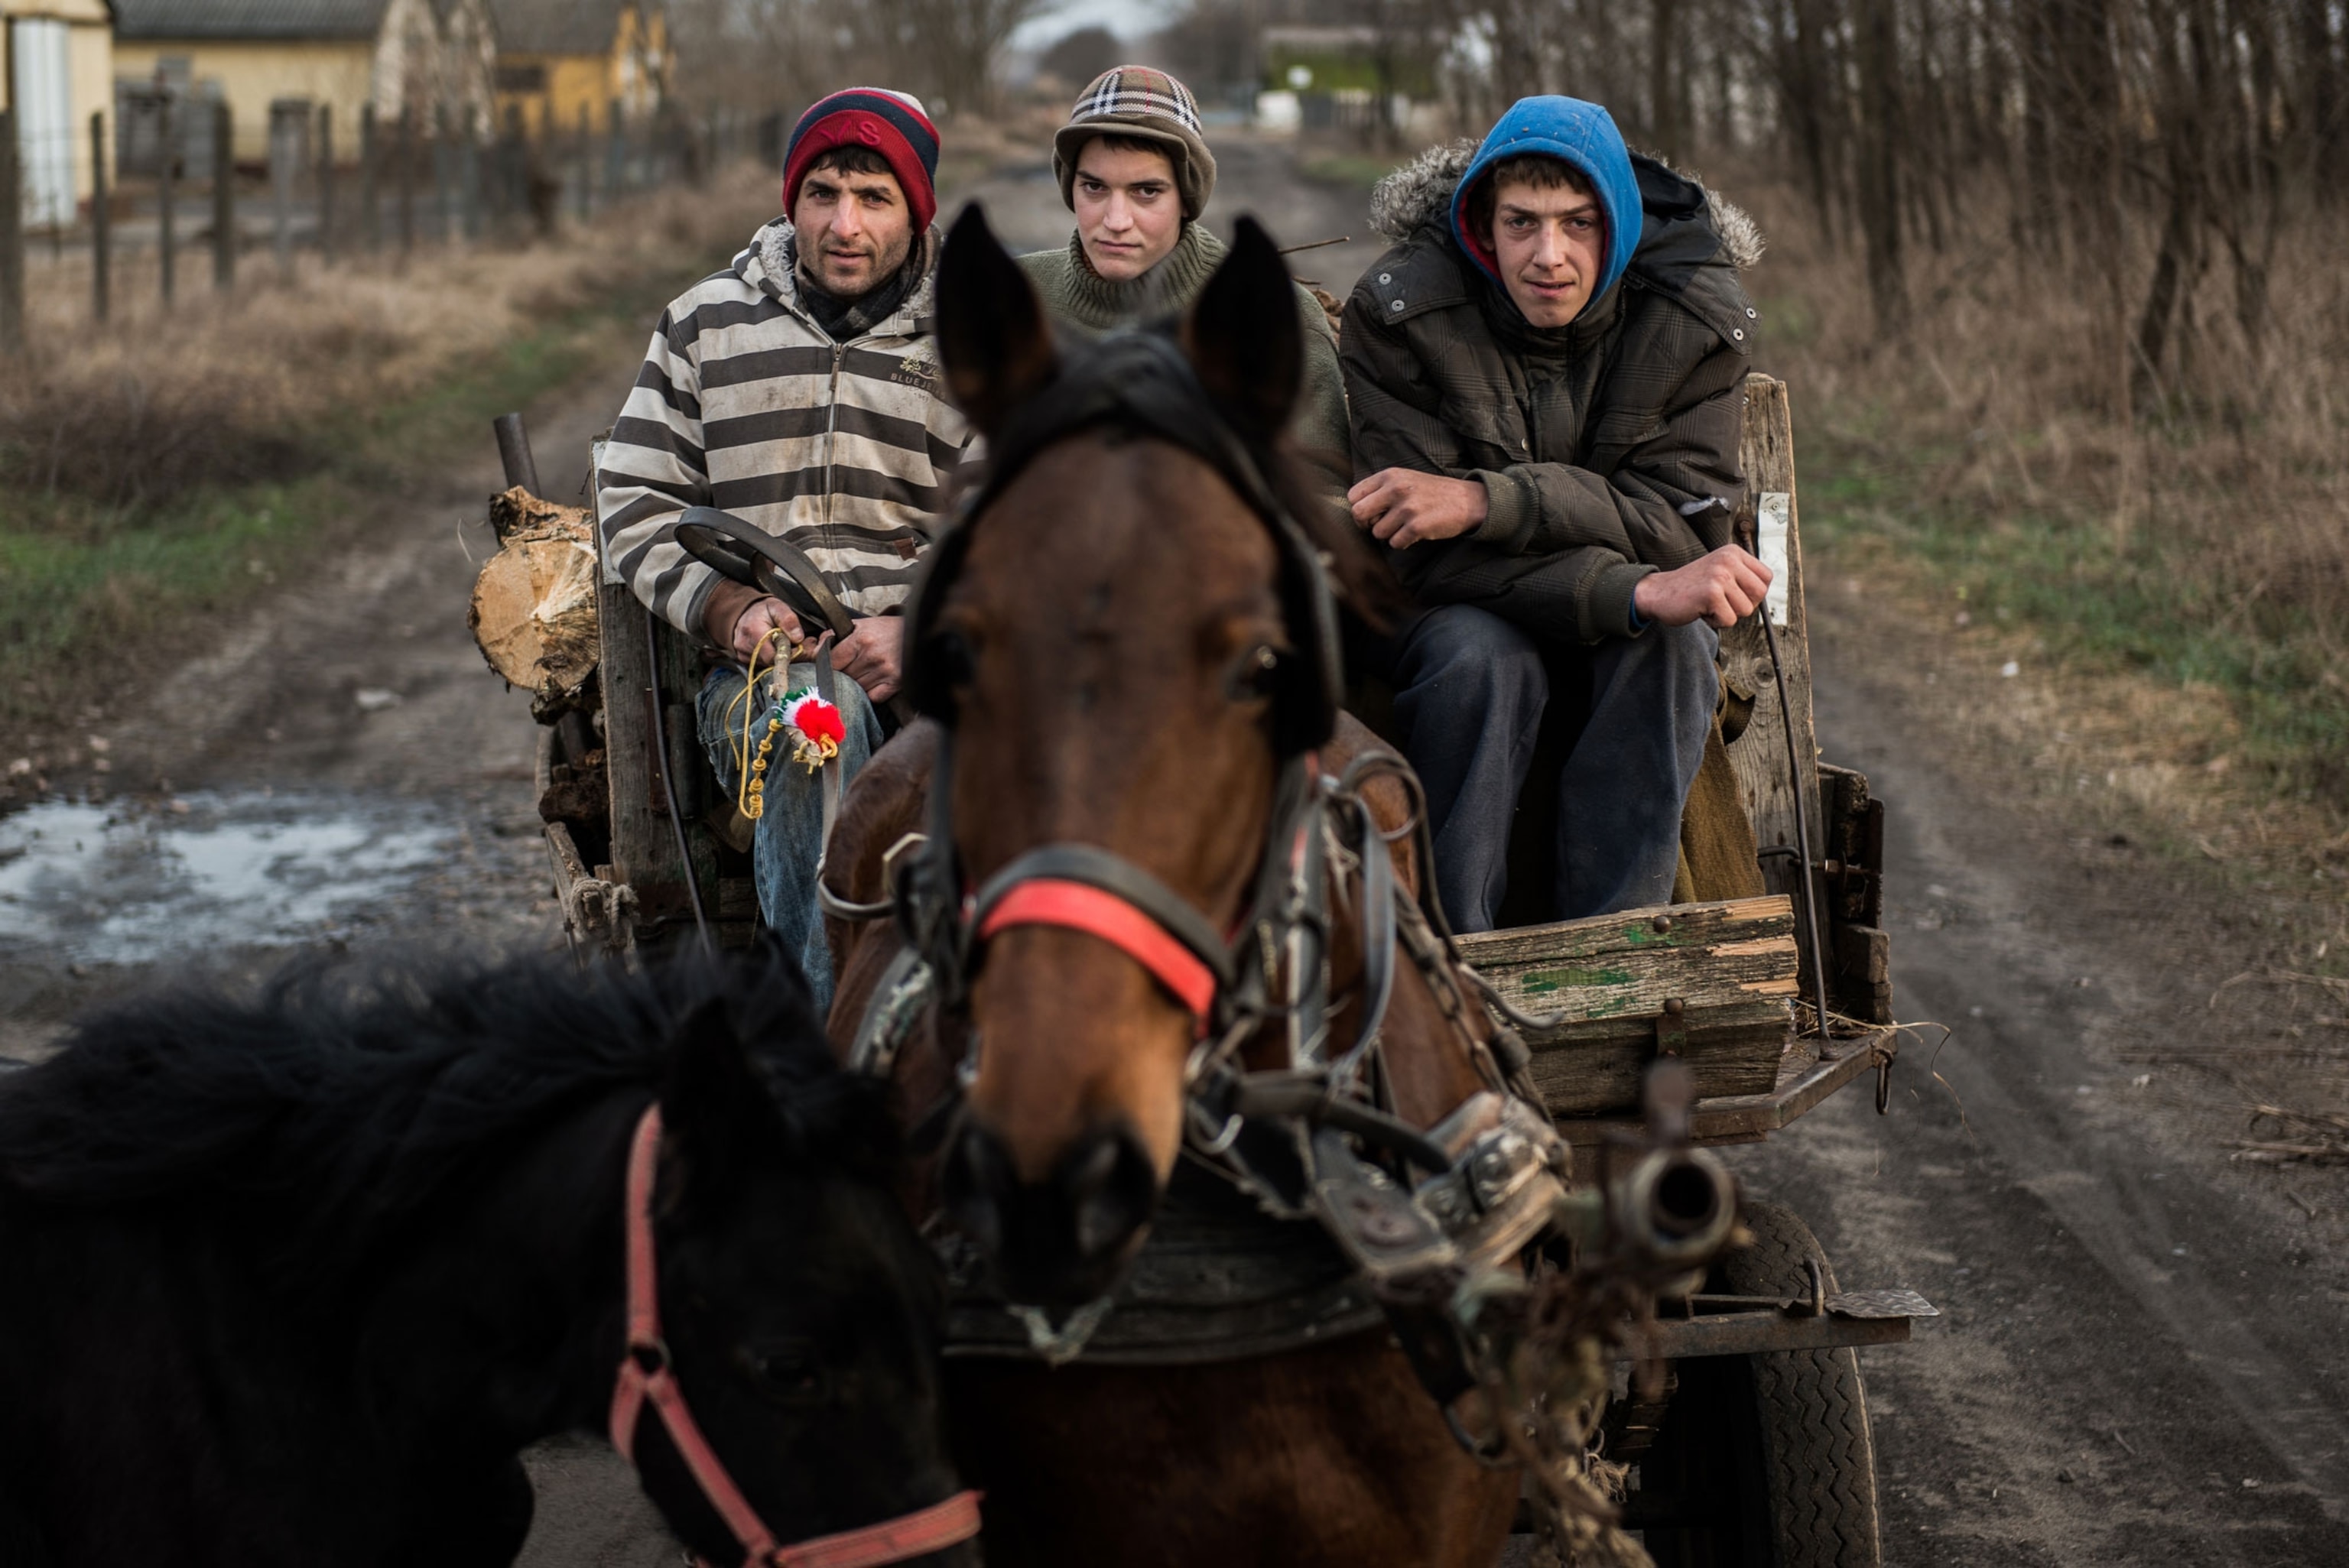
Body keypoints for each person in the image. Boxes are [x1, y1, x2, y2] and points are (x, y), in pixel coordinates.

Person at [1340, 95, 1772, 930]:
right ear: (1479, 224)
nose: (1550, 256)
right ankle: (1455, 957)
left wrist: (1485, 500)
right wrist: (1635, 590)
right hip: (1452, 611)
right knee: (1481, 656)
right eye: (1522, 223)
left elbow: (1677, 528)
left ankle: (1615, 953)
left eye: (1579, 224)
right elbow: (1421, 556)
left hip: (1604, 610)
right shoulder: (1403, 314)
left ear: (1620, 226)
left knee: (1678, 647)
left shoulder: (1693, 320)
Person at [598, 87, 972, 1011]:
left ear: (916, 210)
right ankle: (834, 1039)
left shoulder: (967, 339)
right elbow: (633, 497)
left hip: (944, 665)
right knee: (815, 728)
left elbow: (1016, 524)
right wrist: (730, 610)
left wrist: (918, 624)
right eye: (824, 194)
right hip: (764, 681)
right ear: (791, 200)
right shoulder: (706, 325)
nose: (845, 224)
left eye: (875, 197)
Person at [1017, 66, 1350, 464]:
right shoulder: (1015, 298)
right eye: (1095, 187)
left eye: (1146, 192)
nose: (1116, 221)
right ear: (1070, 187)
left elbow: (1327, 496)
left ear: (1187, 199)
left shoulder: (1274, 315)